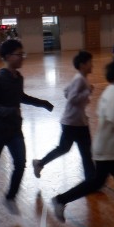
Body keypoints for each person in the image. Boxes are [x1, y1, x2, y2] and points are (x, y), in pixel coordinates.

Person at [50, 58, 114, 227]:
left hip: (107, 148)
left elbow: (107, 114)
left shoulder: (111, 91)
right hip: (109, 149)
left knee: (103, 182)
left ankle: (62, 200)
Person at [0, 40, 54, 214]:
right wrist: (8, 111)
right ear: (8, 56)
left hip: (15, 130)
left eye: (22, 54)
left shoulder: (19, 78)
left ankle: (10, 197)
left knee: (20, 163)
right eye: (19, 54)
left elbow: (21, 97)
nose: (22, 57)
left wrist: (42, 103)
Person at [33, 51, 96, 181]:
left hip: (78, 122)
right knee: (71, 150)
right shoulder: (80, 79)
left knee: (82, 151)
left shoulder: (81, 78)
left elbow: (66, 91)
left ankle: (91, 179)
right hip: (72, 123)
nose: (92, 65)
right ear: (82, 65)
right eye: (90, 62)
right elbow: (72, 98)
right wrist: (87, 92)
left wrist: (84, 98)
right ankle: (39, 163)